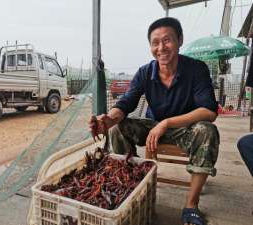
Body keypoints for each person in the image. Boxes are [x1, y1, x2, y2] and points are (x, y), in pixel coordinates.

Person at [89, 17, 219, 225]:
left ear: (180, 40)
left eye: (167, 40)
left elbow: (209, 111)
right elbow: (126, 103)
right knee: (117, 129)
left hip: (185, 129)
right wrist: (108, 120)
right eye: (155, 43)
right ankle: (126, 189)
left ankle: (191, 205)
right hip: (152, 128)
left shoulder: (196, 69)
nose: (161, 48)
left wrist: (166, 123)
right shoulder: (145, 72)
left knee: (208, 130)